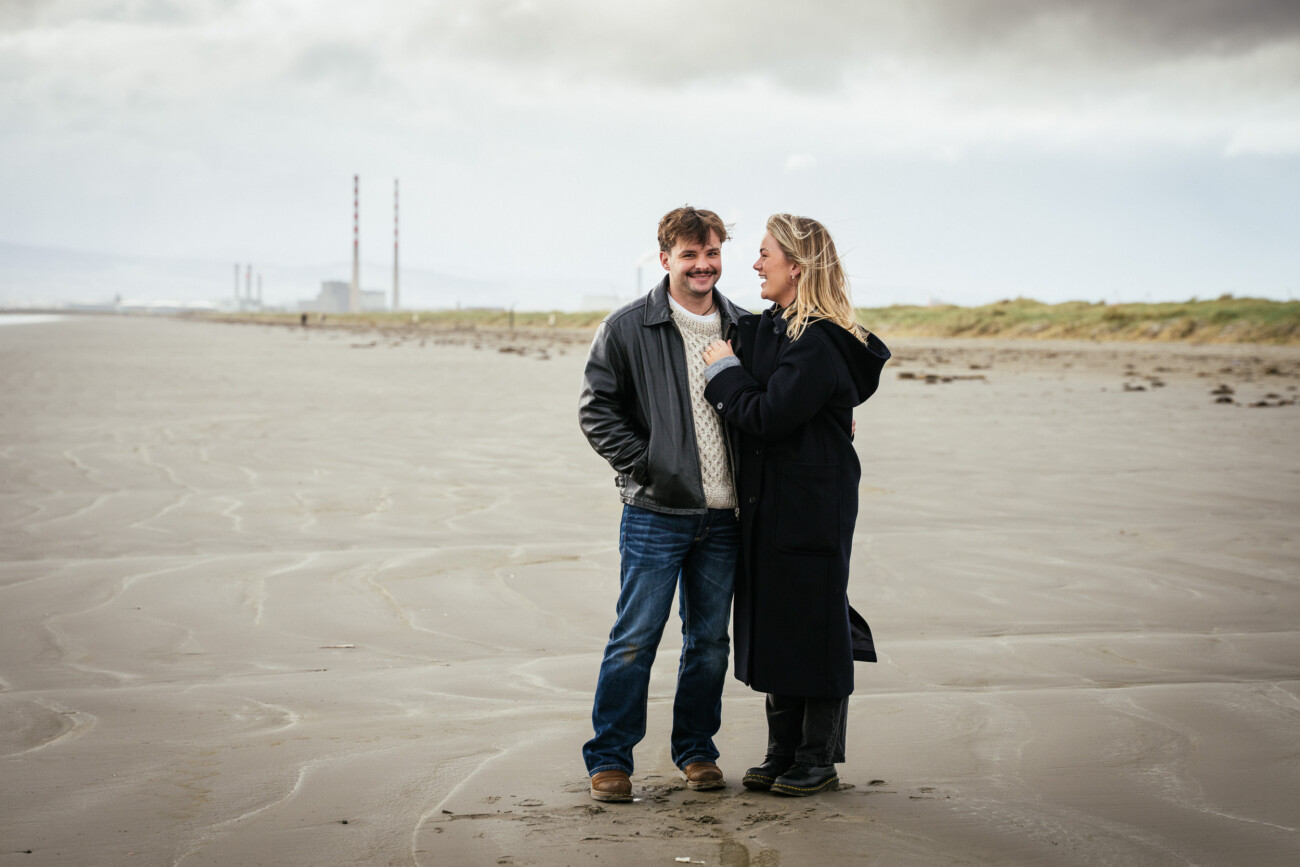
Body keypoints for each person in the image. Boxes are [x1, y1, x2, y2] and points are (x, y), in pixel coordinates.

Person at [700, 213, 889, 797]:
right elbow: (740, 344)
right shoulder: (777, 328)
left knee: (816, 623)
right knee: (777, 620)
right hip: (769, 502)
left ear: (797, 267)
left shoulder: (820, 340)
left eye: (764, 254)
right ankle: (782, 751)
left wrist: (724, 373)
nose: (754, 264)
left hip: (812, 504)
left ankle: (816, 758)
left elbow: (767, 414)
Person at [578, 206, 746, 803]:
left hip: (727, 518)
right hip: (654, 512)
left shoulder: (745, 326)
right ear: (665, 259)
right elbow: (596, 411)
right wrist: (650, 465)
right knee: (634, 637)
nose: (703, 266)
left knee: (709, 642)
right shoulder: (628, 327)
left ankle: (696, 751)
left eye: (713, 254)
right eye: (690, 255)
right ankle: (610, 760)